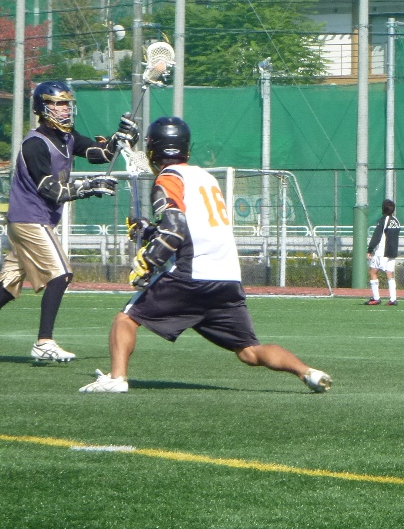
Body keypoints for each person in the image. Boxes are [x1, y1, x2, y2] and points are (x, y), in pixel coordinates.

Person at [78, 116, 332, 394]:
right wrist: (149, 231)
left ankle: (116, 379)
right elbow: (194, 227)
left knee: (125, 319)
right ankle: (308, 373)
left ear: (152, 149)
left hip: (192, 275)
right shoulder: (206, 178)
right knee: (249, 351)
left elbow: (174, 230)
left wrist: (148, 261)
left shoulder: (168, 179)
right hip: (227, 279)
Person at [0, 80, 133, 363]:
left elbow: (100, 154)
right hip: (30, 219)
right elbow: (51, 190)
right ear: (42, 107)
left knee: (8, 285)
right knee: (61, 275)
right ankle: (44, 342)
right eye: (57, 104)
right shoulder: (35, 143)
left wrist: (119, 138)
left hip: (34, 220)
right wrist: (89, 187)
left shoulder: (67, 137)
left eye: (66, 104)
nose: (64, 110)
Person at [366, 198, 401, 306]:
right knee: (390, 274)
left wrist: (370, 249)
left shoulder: (383, 220)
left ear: (383, 209)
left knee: (373, 272)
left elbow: (377, 236)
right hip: (393, 252)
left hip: (382, 252)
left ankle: (376, 298)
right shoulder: (396, 221)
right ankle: (393, 299)